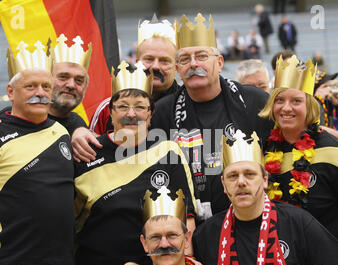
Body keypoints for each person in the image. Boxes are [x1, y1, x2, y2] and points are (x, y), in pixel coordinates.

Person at [74, 61, 197, 265]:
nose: (131, 114)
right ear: (111, 113)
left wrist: (189, 264)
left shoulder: (168, 151)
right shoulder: (86, 153)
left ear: (150, 114)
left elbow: (186, 218)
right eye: (123, 107)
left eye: (140, 107)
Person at [151, 13, 273, 220]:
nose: (193, 64)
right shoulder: (162, 112)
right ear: (178, 69)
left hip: (253, 219)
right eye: (185, 59)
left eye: (201, 56)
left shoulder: (254, 100)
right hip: (191, 224)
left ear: (220, 62)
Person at [193, 129, 338, 265]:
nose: (241, 182)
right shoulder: (206, 235)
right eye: (233, 176)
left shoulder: (297, 222)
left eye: (250, 174)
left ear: (265, 180)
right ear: (224, 185)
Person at [0, 42, 78, 265]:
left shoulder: (62, 131)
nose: (41, 93)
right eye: (31, 86)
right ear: (11, 92)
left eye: (46, 87)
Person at [259, 55, 338, 242]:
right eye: (279, 100)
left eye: (296, 101)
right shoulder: (265, 150)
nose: (286, 108)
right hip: (283, 257)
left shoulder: (331, 149)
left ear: (309, 107)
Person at [112, 187, 226, 265]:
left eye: (172, 235)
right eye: (155, 237)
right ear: (144, 243)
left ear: (186, 239)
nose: (164, 244)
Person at [89, 14, 179, 136]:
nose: (155, 66)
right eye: (149, 59)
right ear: (137, 62)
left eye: (164, 61)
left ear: (176, 67)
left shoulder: (186, 105)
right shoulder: (109, 107)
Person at [1, 34, 91, 137]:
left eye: (79, 80)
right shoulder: (7, 121)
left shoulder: (78, 124)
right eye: (63, 77)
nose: (71, 85)